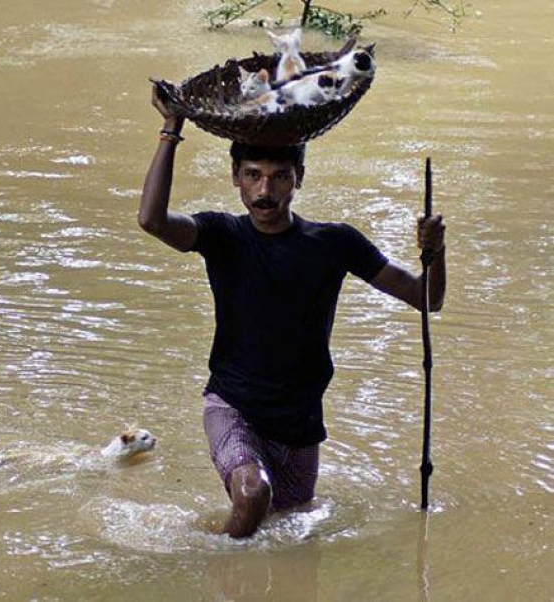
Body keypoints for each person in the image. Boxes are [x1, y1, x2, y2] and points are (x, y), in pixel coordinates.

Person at [138, 86, 446, 538]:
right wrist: (171, 128)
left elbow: (427, 299)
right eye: (253, 175)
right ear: (235, 177)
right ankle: (222, 579)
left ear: (299, 178)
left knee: (288, 527)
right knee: (252, 494)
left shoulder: (335, 242)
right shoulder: (222, 234)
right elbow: (153, 220)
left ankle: (221, 554)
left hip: (299, 421)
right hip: (232, 404)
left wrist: (435, 251)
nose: (265, 191)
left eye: (280, 176)